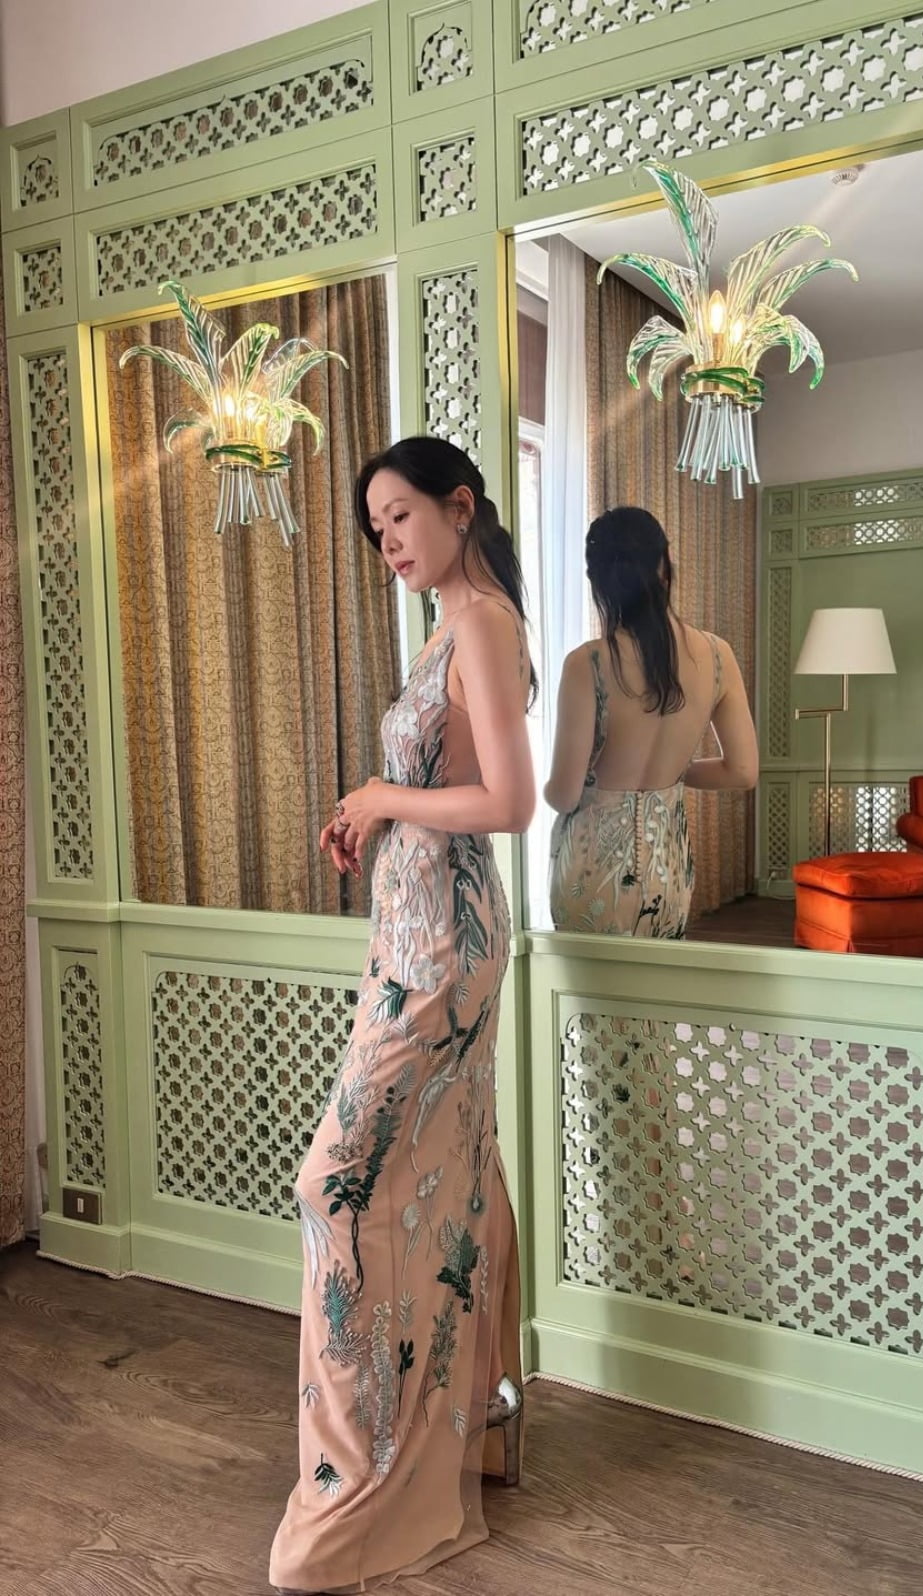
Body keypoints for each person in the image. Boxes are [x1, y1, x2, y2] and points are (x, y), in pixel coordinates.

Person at [270, 436, 536, 1596]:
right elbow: (453, 785)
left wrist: (383, 793)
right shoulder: (445, 626)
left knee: (334, 1183)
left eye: (400, 517)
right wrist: (376, 815)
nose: (386, 541)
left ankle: (359, 1482)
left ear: (459, 507)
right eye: (374, 528)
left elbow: (511, 802)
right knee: (454, 1164)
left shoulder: (480, 621)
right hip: (414, 939)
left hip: (443, 954)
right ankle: (470, 1414)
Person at [545, 506, 758, 938]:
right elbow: (742, 771)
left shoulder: (587, 663)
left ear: (598, 581)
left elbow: (564, 795)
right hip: (668, 868)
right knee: (655, 981)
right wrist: (675, 772)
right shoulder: (717, 655)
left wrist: (549, 787)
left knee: (593, 983)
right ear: (665, 564)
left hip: (589, 870)